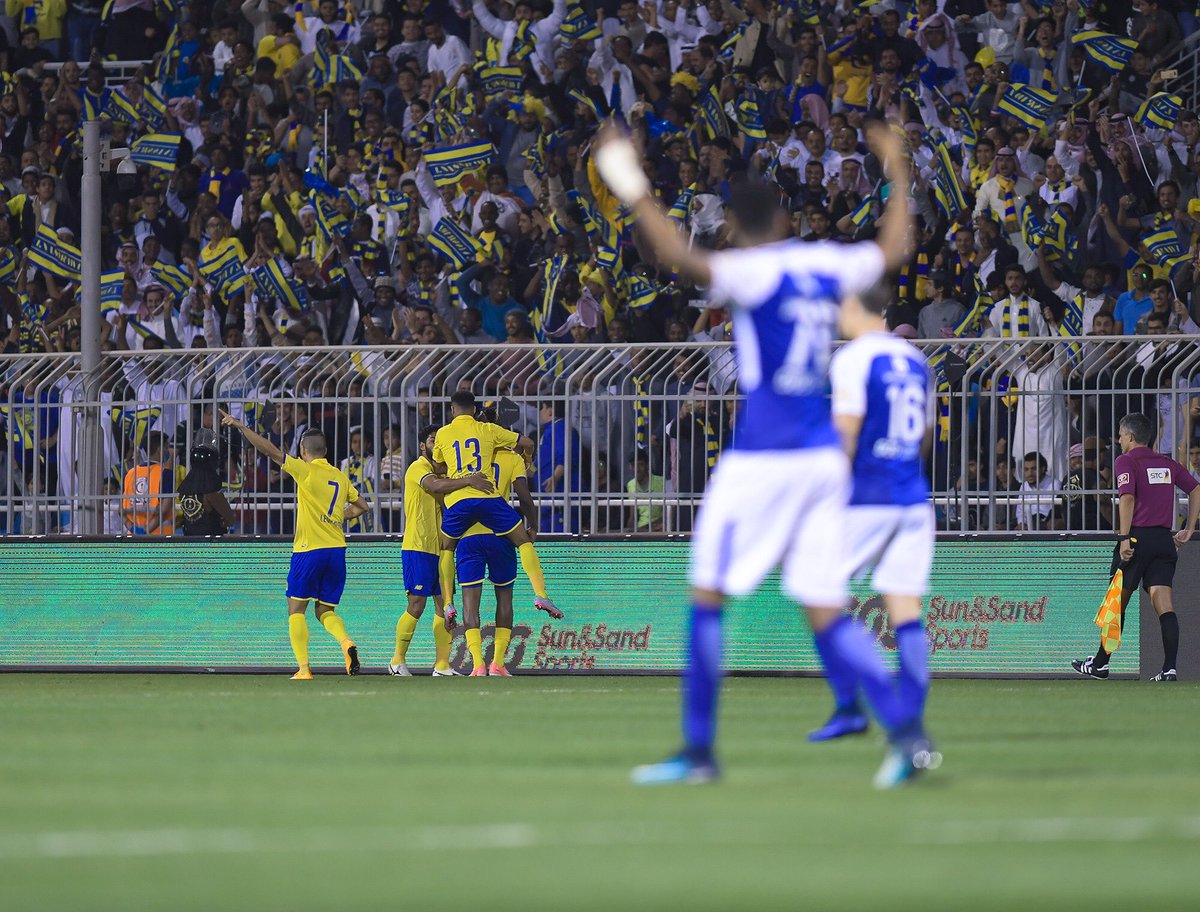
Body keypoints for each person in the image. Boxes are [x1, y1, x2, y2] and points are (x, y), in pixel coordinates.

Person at [594, 121, 936, 788]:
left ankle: (698, 753)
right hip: (822, 463)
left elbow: (678, 257)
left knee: (707, 596)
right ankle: (907, 734)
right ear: (783, 216)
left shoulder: (750, 270)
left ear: (733, 226)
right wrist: (898, 168)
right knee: (825, 606)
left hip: (762, 457)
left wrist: (632, 186)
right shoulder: (827, 263)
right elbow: (896, 244)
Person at [810, 283, 935, 748]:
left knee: (819, 597)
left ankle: (850, 706)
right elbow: (924, 434)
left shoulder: (853, 359)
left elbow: (846, 433)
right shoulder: (915, 360)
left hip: (867, 498)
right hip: (913, 498)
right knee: (906, 612)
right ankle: (910, 724)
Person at [219, 411, 368, 680]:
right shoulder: (340, 476)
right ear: (326, 450)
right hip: (337, 550)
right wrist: (336, 516)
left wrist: (241, 426)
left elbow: (271, 450)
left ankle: (303, 669)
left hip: (309, 550)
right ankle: (347, 643)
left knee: (295, 609)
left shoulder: (306, 470)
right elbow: (362, 506)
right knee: (324, 610)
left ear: (302, 449)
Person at [1073, 414, 1200, 682]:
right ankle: (1169, 669)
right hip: (1164, 541)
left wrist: (1124, 537)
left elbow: (1127, 497)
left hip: (1136, 538)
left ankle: (1101, 665)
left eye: (1120, 435)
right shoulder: (1167, 464)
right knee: (1164, 604)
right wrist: (1189, 528)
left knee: (1117, 602)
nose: (1118, 440)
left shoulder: (1126, 461)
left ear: (1130, 437)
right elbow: (1196, 489)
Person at [431, 390, 562, 622]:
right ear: (474, 410)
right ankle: (541, 594)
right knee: (523, 541)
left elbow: (438, 466)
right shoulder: (490, 432)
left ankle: (448, 603)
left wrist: (456, 472)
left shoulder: (443, 433)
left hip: (461, 504)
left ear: (452, 410)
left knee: (447, 548)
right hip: (490, 501)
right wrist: (528, 457)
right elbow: (527, 443)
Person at [389, 424, 495, 678]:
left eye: (439, 441)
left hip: (442, 549)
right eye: (431, 441)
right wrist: (469, 480)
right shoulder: (418, 468)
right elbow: (435, 486)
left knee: (444, 607)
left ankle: (442, 665)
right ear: (423, 446)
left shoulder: (448, 474)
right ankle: (396, 661)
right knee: (416, 605)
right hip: (418, 546)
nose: (436, 445)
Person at [456, 404, 538, 676]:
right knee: (505, 600)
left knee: (470, 603)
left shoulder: (466, 457)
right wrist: (532, 526)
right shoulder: (511, 458)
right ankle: (498, 663)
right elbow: (524, 498)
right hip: (501, 534)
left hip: (468, 534)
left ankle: (477, 664)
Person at [177, 430, 236, 536]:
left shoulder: (184, 493)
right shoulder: (212, 495)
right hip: (210, 546)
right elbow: (230, 520)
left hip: (189, 543)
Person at [121, 432, 175, 536]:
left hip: (133, 538)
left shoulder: (130, 474)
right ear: (160, 450)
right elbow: (164, 509)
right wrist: (146, 531)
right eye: (166, 447)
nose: (167, 451)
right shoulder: (166, 474)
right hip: (159, 537)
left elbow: (121, 510)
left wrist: (133, 529)